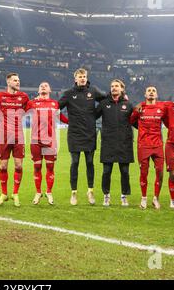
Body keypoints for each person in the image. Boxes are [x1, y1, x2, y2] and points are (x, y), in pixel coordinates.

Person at [59, 68, 106, 206]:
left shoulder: (93, 91)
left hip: (90, 134)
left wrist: (95, 114)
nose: (82, 78)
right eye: (80, 77)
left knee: (90, 163)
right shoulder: (68, 94)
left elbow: (106, 100)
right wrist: (67, 121)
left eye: (84, 76)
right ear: (75, 79)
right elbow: (55, 108)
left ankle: (90, 191)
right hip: (74, 134)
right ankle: (74, 193)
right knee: (75, 163)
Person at [26, 82, 68, 205]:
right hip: (35, 140)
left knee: (50, 167)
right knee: (37, 167)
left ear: (50, 89)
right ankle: (38, 192)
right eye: (41, 86)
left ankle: (49, 192)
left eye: (46, 85)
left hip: (50, 141)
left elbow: (62, 118)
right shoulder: (31, 103)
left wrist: (74, 123)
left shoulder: (55, 104)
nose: (43, 87)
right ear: (38, 90)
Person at [96, 79, 134, 207]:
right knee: (106, 171)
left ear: (122, 89)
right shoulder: (104, 103)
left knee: (125, 172)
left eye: (117, 86)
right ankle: (106, 195)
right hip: (108, 143)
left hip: (124, 144)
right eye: (112, 86)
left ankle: (124, 196)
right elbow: (92, 116)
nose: (114, 88)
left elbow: (136, 122)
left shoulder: (128, 105)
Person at [0, 73, 29, 207]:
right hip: (4, 136)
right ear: (8, 82)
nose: (18, 82)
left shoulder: (24, 97)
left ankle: (15, 193)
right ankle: (4, 194)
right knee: (3, 166)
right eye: (15, 80)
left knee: (18, 165)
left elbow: (30, 108)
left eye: (18, 80)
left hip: (18, 136)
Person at [130, 85, 165, 209]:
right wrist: (135, 111)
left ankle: (156, 198)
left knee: (160, 172)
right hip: (143, 145)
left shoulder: (162, 107)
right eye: (149, 91)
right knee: (143, 173)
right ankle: (144, 198)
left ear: (156, 95)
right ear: (145, 95)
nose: (151, 92)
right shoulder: (139, 108)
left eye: (153, 91)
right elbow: (130, 121)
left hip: (158, 145)